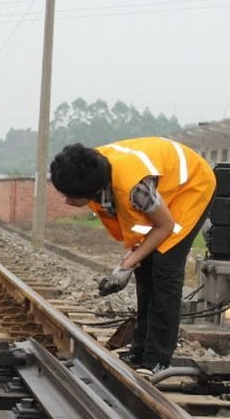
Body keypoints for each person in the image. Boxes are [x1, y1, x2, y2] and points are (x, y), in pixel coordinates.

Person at [50, 137, 216, 370]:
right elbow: (137, 226)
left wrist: (127, 266)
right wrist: (130, 262)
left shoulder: (134, 188)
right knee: (146, 270)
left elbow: (165, 226)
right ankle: (140, 351)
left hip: (191, 185)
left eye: (70, 195)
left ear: (90, 189)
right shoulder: (88, 168)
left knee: (166, 270)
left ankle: (157, 359)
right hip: (163, 189)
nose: (66, 201)